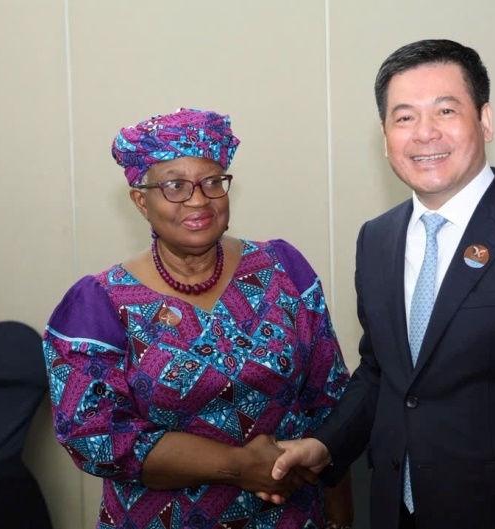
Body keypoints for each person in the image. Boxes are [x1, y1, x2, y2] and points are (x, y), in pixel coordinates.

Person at [265, 39, 495, 529]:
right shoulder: (377, 238)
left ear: (486, 121)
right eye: (404, 117)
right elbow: (384, 372)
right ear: (385, 136)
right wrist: (325, 445)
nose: (424, 133)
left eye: (446, 110)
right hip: (397, 510)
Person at [42, 108, 354, 528]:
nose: (198, 200)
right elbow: (95, 436)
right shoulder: (100, 304)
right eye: (174, 186)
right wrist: (238, 466)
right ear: (141, 200)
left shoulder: (284, 270)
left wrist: (339, 514)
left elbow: (329, 400)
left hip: (293, 517)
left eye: (212, 182)